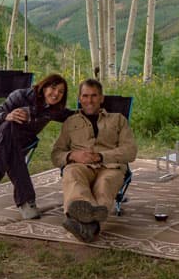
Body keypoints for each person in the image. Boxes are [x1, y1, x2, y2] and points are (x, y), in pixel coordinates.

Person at [0, 73, 73, 220]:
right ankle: (27, 202)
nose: (56, 94)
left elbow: (72, 115)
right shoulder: (20, 96)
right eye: (53, 88)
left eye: (61, 92)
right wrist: (7, 116)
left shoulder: (54, 109)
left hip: (19, 143)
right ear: (44, 87)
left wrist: (93, 112)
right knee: (11, 125)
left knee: (13, 148)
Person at [51, 78, 137, 242]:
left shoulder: (118, 119)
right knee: (72, 174)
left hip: (110, 166)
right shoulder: (70, 122)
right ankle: (89, 217)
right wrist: (71, 156)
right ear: (79, 98)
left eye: (94, 96)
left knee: (105, 184)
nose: (89, 100)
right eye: (85, 96)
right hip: (80, 165)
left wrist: (102, 156)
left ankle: (82, 222)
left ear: (102, 98)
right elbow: (56, 154)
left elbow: (130, 151)